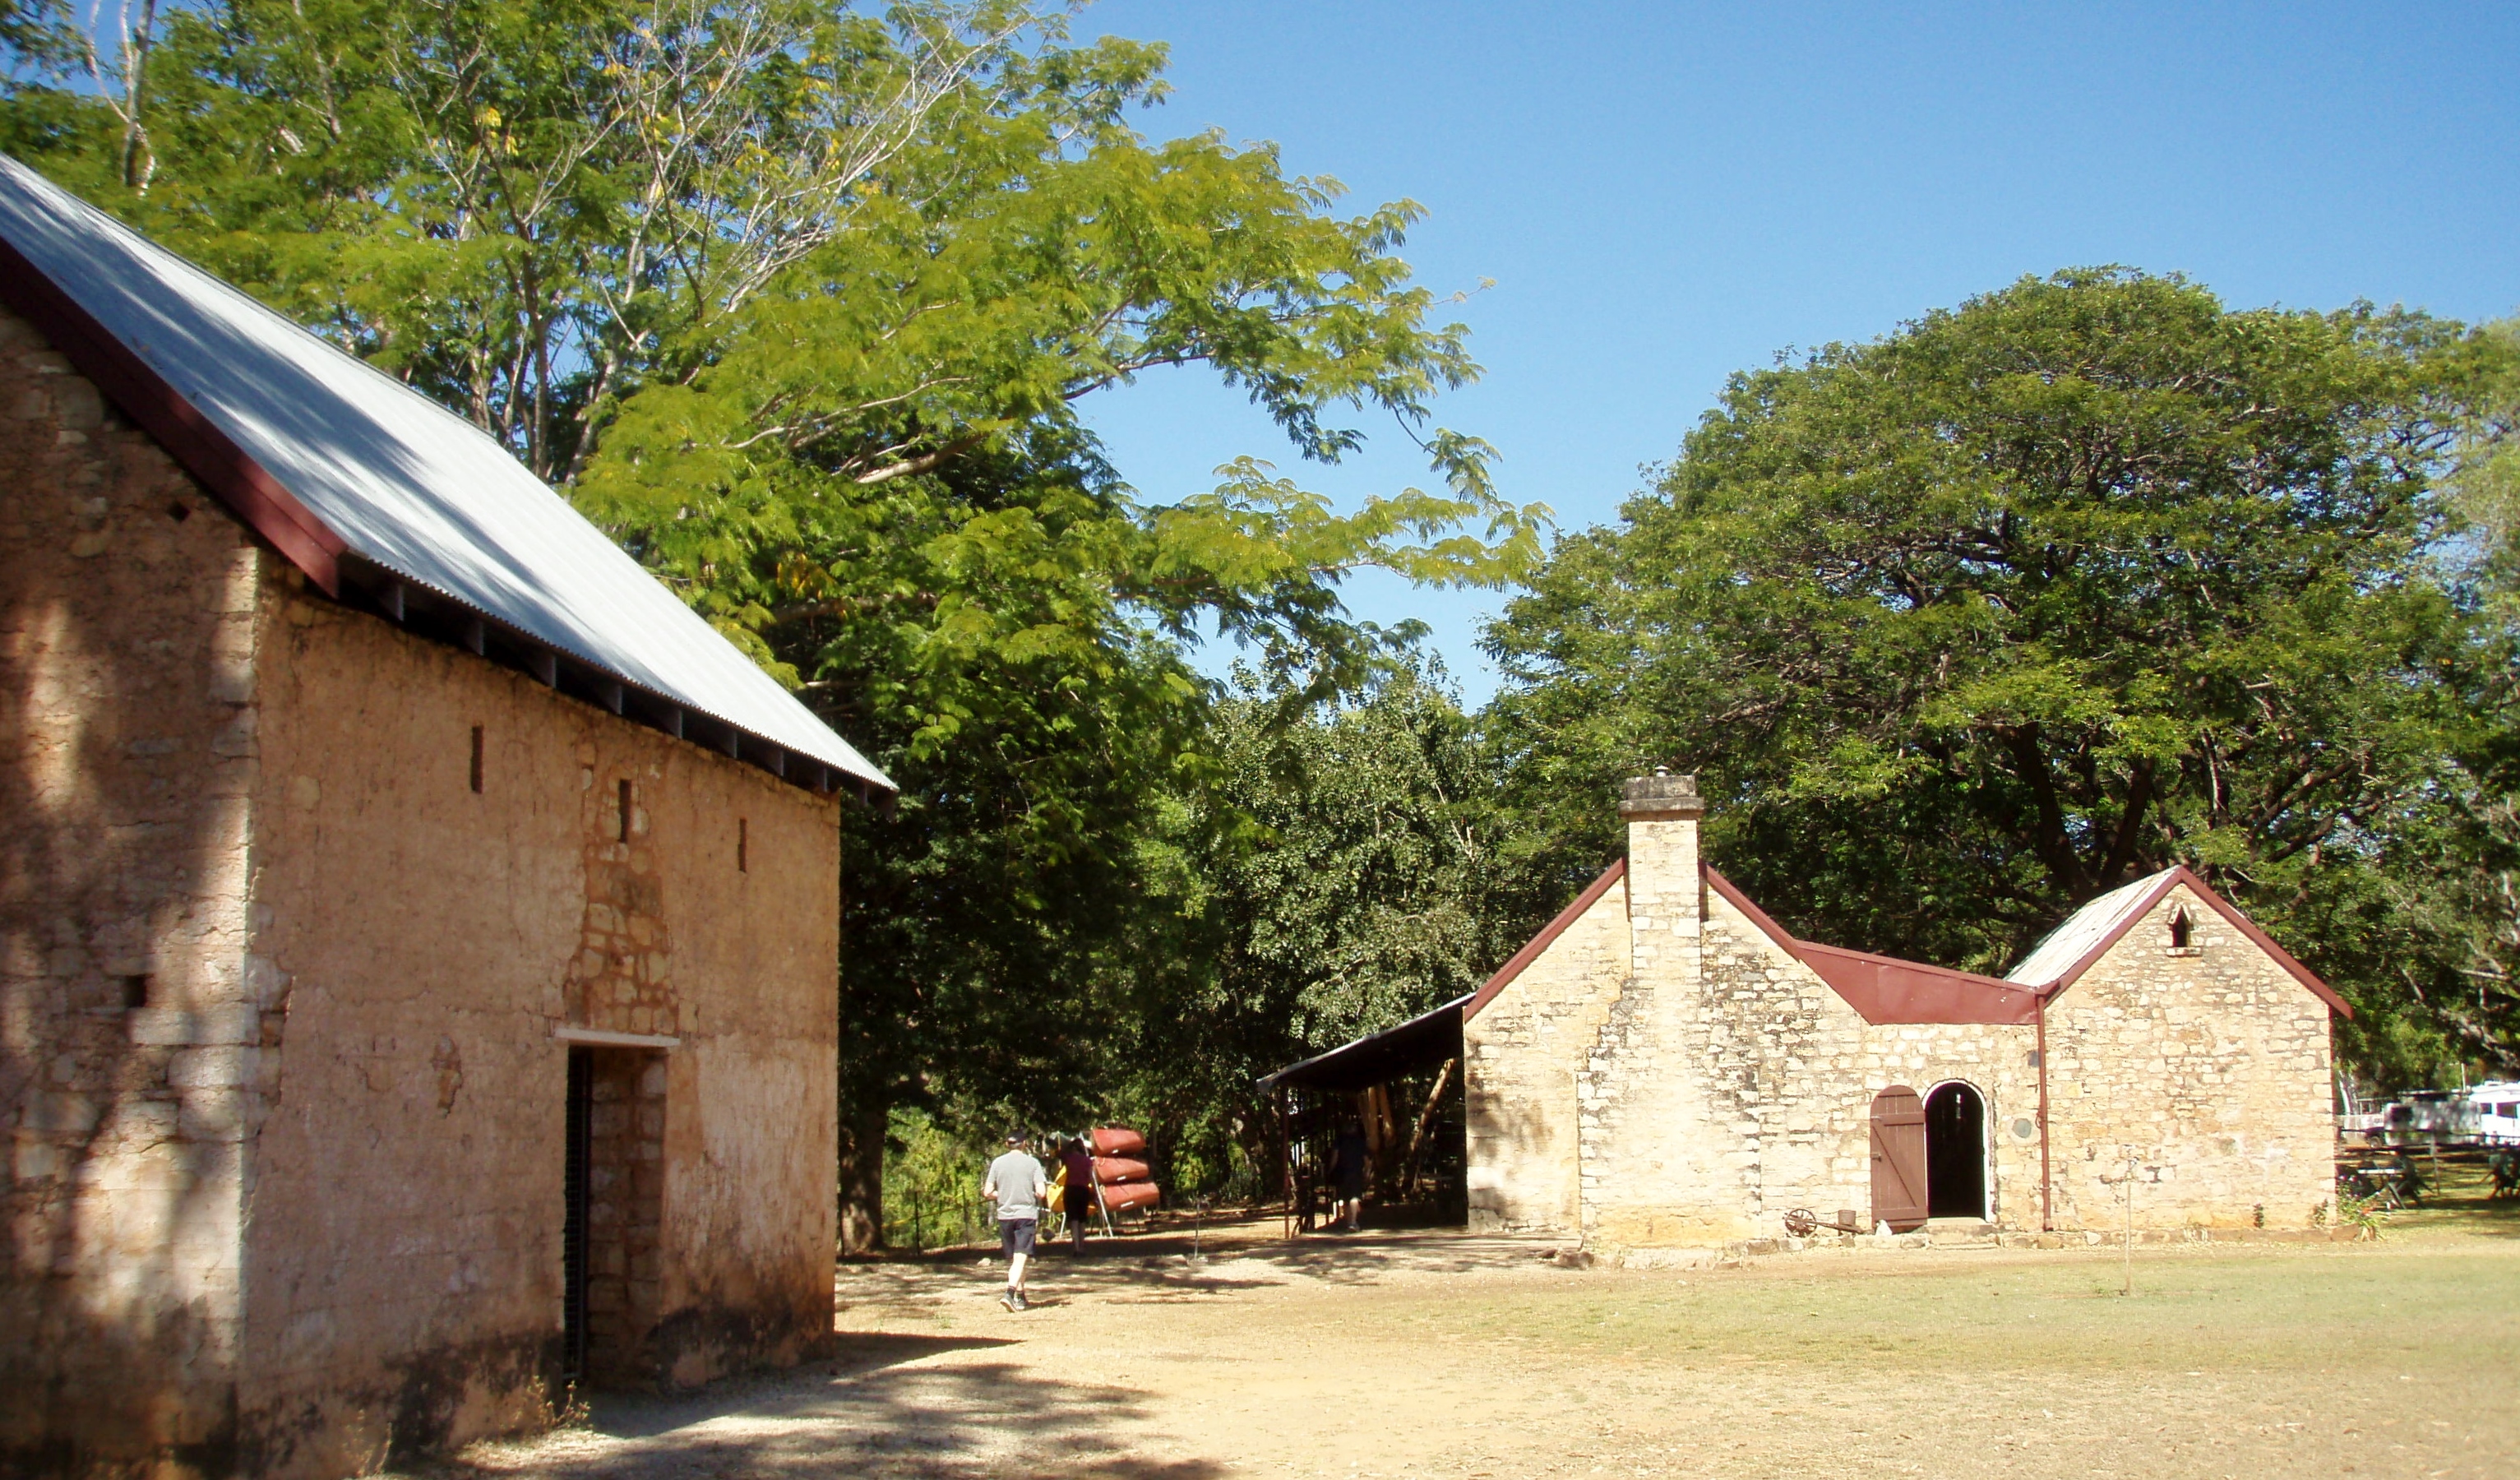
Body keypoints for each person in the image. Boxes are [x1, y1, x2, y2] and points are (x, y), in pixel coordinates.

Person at [982, 1132, 1047, 1311]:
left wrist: (1002, 1194)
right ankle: (1009, 1293)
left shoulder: (997, 1163)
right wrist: (1030, 1193)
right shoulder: (1032, 1163)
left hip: (1005, 1216)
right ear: (1024, 1144)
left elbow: (987, 1192)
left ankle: (1021, 1296)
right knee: (1021, 1258)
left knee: (1017, 1259)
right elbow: (1042, 1192)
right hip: (1025, 1215)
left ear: (1006, 1144)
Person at [1057, 1135, 1098, 1252]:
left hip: (1070, 1190)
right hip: (1083, 1190)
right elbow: (1091, 1177)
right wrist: (1094, 1191)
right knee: (1082, 1220)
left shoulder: (1069, 1158)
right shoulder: (1087, 1161)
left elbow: (1058, 1153)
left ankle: (1076, 1246)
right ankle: (1082, 1246)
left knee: (1073, 1219)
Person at [1330, 1117, 1370, 1233]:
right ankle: (1353, 1222)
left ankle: (1349, 1222)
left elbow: (1335, 1157)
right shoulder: (1361, 1142)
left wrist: (1331, 1169)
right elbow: (1367, 1160)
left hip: (1342, 1172)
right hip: (1356, 1172)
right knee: (1354, 1197)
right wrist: (1367, 1172)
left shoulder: (1339, 1141)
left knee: (1345, 1199)